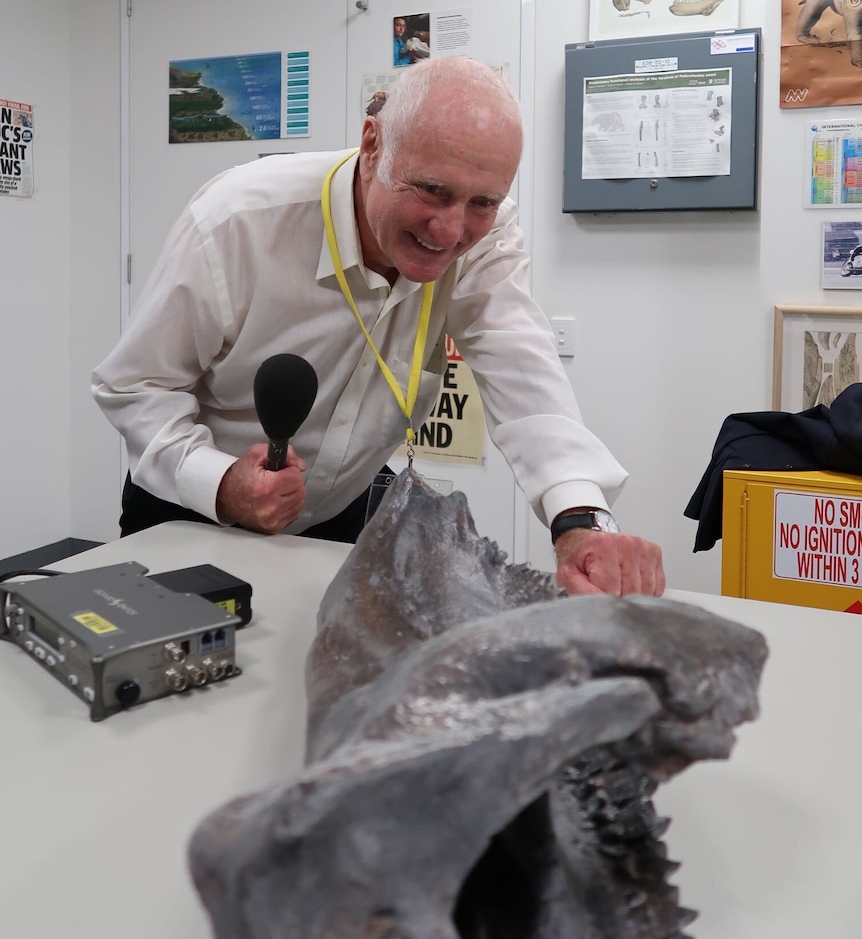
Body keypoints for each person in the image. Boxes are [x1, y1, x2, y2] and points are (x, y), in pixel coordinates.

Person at [93, 57, 664, 597]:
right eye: (432, 191)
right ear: (372, 146)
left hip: (341, 514)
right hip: (193, 510)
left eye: (483, 202)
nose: (450, 231)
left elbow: (522, 369)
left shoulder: (488, 237)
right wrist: (220, 483)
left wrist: (581, 520)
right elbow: (135, 386)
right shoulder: (238, 221)